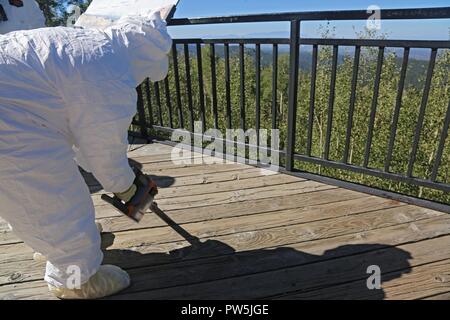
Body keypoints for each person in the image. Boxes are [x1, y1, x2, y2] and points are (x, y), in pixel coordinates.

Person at [0, 3, 173, 299]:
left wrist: (121, 181)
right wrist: (126, 186)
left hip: (12, 104)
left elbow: (85, 142)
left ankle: (58, 247)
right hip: (8, 120)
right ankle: (74, 279)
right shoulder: (111, 71)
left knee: (30, 198)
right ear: (146, 56)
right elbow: (102, 149)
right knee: (52, 197)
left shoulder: (91, 45)